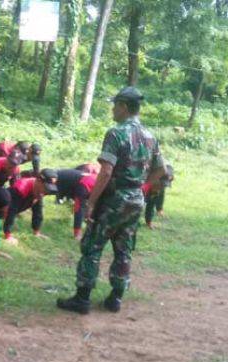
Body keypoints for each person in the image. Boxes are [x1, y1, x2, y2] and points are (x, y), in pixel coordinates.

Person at [57, 87, 166, 315]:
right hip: (136, 199)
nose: (112, 110)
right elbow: (161, 170)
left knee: (92, 247)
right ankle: (115, 298)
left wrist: (91, 202)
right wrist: (140, 186)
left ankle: (82, 298)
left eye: (115, 105)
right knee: (123, 249)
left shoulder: (116, 134)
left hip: (113, 199)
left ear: (124, 106)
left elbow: (105, 172)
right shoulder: (149, 136)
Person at [2, 169, 58, 244]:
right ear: (38, 180)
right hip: (0, 207)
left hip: (18, 205)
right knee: (12, 211)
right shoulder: (20, 188)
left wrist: (36, 232)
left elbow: (37, 212)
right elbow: (11, 212)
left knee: (38, 208)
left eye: (48, 189)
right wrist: (7, 236)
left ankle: (36, 232)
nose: (45, 192)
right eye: (45, 187)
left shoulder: (41, 190)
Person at [55, 168, 97, 240]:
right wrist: (77, 233)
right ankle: (77, 233)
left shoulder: (100, 187)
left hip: (73, 183)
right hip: (58, 178)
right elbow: (78, 208)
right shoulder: (86, 186)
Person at [143, 163, 174, 229]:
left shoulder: (158, 189)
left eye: (164, 186)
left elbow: (150, 205)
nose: (161, 188)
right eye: (161, 185)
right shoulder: (144, 184)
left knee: (153, 198)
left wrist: (149, 222)